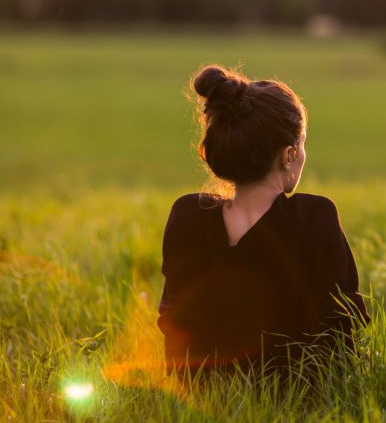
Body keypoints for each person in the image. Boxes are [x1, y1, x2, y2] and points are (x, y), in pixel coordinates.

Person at [157, 65, 368, 380]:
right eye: (303, 145)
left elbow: (173, 321)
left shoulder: (187, 217)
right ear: (288, 154)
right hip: (302, 398)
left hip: (201, 396)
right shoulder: (313, 217)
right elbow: (339, 326)